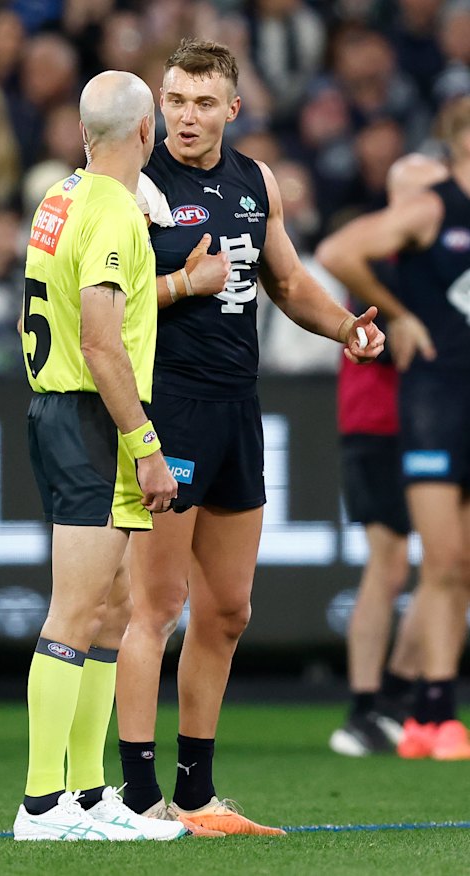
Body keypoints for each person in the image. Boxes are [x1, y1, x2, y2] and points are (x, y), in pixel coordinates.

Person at [115, 37, 385, 835]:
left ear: (234, 109)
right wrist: (180, 286)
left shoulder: (253, 180)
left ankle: (194, 795)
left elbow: (290, 279)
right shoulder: (133, 185)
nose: (186, 116)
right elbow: (103, 304)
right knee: (154, 608)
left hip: (237, 408)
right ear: (159, 104)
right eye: (174, 100)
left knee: (229, 609)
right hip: (167, 409)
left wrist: (344, 328)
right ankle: (137, 800)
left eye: (203, 103)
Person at [14, 70, 187, 843]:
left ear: (85, 133)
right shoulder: (114, 212)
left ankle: (87, 797)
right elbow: (100, 342)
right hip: (91, 416)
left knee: (113, 610)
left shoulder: (62, 196)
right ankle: (41, 803)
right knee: (75, 613)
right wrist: (146, 446)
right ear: (147, 132)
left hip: (67, 411)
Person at [315, 95, 470, 761]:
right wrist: (404, 320)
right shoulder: (416, 224)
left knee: (446, 564)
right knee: (405, 561)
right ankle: (381, 706)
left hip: (435, 405)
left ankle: (406, 700)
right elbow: (341, 259)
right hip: (402, 412)